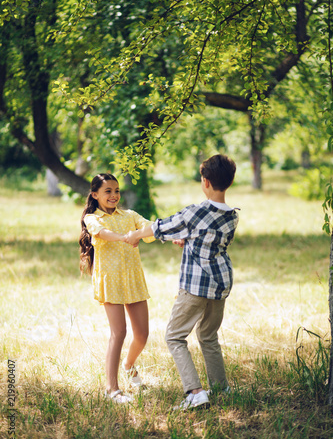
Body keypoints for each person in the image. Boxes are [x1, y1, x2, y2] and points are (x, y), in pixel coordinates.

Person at [125, 154, 239, 410]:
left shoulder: (195, 212)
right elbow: (212, 241)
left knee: (175, 337)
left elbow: (159, 227)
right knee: (208, 335)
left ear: (206, 182)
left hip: (196, 287)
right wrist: (188, 240)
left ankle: (195, 393)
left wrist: (134, 235)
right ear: (228, 182)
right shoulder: (232, 215)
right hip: (220, 284)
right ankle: (222, 388)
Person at [79, 173, 155, 404]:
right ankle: (112, 389)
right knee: (119, 333)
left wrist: (140, 233)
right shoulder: (92, 218)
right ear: (95, 195)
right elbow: (101, 233)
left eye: (117, 191)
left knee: (142, 335)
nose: (114, 196)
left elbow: (150, 227)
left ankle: (129, 364)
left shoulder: (129, 215)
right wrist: (126, 237)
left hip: (133, 279)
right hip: (110, 281)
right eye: (108, 191)